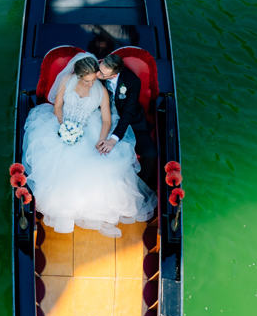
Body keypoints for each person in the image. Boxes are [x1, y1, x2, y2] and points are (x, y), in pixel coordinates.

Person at [22, 53, 156, 238]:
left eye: (96, 78)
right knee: (59, 164)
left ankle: (102, 216)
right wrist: (62, 128)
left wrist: (101, 140)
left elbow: (108, 120)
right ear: (79, 76)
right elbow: (58, 107)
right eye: (89, 79)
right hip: (62, 125)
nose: (93, 83)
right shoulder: (68, 81)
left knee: (101, 167)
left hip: (91, 129)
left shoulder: (102, 89)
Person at [95, 52, 158, 191]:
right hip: (101, 120)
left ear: (113, 75)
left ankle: (138, 189)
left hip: (130, 123)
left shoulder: (132, 81)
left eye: (102, 74)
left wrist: (113, 139)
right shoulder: (96, 75)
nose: (98, 74)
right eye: (99, 69)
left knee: (151, 154)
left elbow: (128, 114)